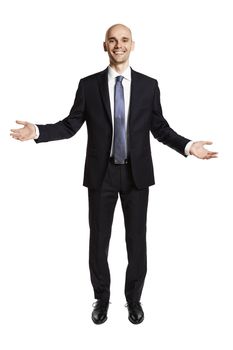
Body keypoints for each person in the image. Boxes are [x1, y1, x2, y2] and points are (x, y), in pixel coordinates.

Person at [10, 24, 218, 325]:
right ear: (104, 46)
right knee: (99, 241)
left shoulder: (149, 86)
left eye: (124, 40)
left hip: (137, 174)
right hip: (101, 174)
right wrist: (38, 131)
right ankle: (102, 298)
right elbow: (70, 125)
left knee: (137, 241)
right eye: (112, 40)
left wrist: (187, 146)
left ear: (133, 45)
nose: (118, 45)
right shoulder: (88, 85)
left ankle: (133, 300)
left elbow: (159, 128)